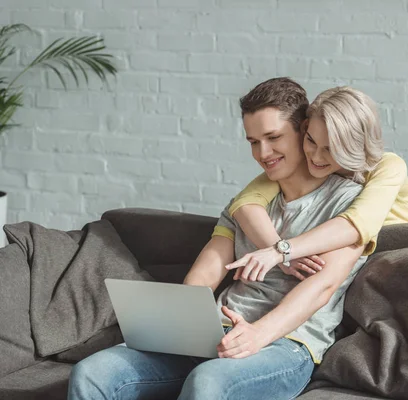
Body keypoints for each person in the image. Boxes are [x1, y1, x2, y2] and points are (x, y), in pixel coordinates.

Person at [67, 77, 368, 400]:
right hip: (218, 332)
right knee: (93, 372)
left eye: (273, 137)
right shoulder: (246, 205)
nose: (263, 153)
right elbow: (207, 272)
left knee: (208, 381)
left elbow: (321, 287)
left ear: (304, 131)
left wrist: (257, 335)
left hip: (287, 344)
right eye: (253, 141)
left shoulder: (351, 204)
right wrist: (180, 325)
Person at [225, 85, 408, 282]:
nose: (316, 157)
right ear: (305, 129)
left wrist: (280, 251)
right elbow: (245, 202)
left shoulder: (388, 166)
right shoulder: (309, 164)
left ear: (351, 145)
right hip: (354, 269)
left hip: (402, 261)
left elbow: (355, 225)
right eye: (311, 141)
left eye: (330, 148)